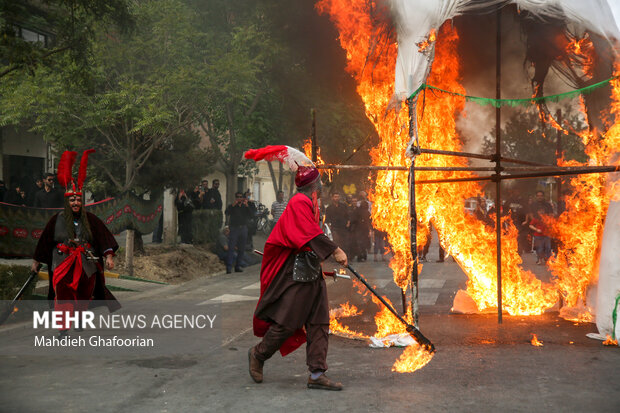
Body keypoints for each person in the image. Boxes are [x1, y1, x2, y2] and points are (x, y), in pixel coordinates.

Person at [245, 145, 348, 391]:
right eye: (320, 184)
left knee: (320, 322)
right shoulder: (299, 202)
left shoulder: (310, 204)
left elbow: (313, 233)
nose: (322, 187)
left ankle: (316, 374)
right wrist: (334, 250)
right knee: (287, 322)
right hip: (297, 274)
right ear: (315, 186)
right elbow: (309, 233)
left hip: (312, 273)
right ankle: (258, 354)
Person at [31, 150, 119, 336]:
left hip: (86, 262)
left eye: (78, 199)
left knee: (84, 294)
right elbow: (45, 242)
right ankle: (63, 329)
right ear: (67, 202)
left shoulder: (91, 219)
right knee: (62, 295)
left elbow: (104, 238)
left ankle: (79, 319)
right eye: (72, 200)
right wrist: (36, 262)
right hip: (62, 262)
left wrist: (109, 256)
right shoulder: (57, 219)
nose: (76, 203)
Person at [224, 191, 252, 273]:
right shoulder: (232, 206)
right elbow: (227, 212)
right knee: (231, 248)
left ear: (243, 198)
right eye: (237, 197)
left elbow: (251, 215)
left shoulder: (245, 206)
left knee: (241, 249)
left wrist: (247, 206)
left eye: (240, 197)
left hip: (243, 228)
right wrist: (233, 205)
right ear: (236, 198)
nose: (239, 198)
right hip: (234, 229)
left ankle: (238, 266)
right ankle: (228, 267)